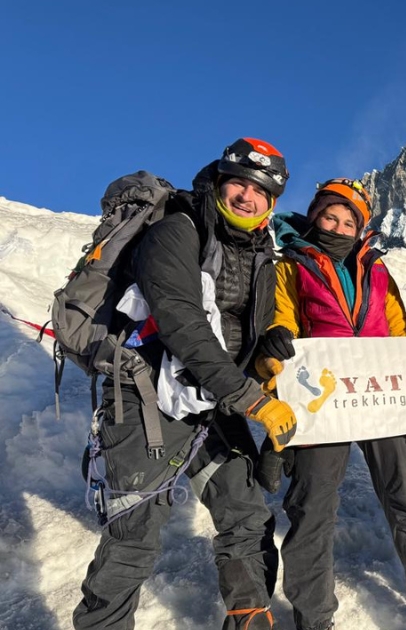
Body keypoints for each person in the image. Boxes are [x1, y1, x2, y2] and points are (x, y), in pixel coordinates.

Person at [74, 138, 298, 630]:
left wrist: (265, 352)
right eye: (238, 182)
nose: (247, 196)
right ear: (218, 182)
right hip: (148, 398)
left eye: (260, 190)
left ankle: (249, 615)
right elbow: (181, 321)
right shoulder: (178, 229)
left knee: (246, 516)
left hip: (210, 400)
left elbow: (237, 331)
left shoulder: (261, 252)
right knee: (134, 535)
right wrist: (249, 399)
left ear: (273, 203)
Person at [253, 178, 406, 630]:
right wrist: (274, 345)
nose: (340, 227)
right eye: (331, 216)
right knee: (311, 509)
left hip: (382, 398)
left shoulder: (378, 271)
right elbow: (279, 322)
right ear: (314, 216)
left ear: (360, 228)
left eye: (350, 221)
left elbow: (401, 335)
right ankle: (314, 618)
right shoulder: (290, 266)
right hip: (323, 402)